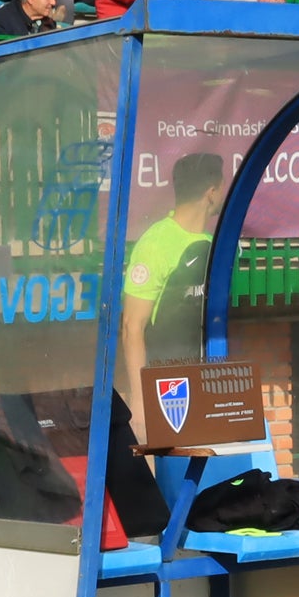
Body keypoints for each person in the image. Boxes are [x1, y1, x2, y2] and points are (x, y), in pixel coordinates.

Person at [118, 151, 226, 422]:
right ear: (212, 192)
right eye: (223, 188)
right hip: (167, 392)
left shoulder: (213, 244)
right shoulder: (155, 243)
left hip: (206, 384)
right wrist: (140, 403)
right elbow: (132, 326)